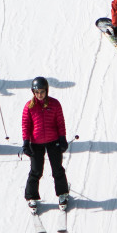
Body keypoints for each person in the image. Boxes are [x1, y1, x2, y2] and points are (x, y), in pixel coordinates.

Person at [21, 76, 70, 209]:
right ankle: (31, 196)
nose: (40, 95)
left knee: (57, 169)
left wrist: (62, 138)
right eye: (37, 92)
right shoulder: (29, 106)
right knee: (36, 170)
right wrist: (26, 143)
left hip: (53, 141)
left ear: (46, 91)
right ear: (33, 92)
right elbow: (26, 125)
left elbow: (60, 123)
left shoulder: (55, 104)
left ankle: (62, 193)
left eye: (42, 92)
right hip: (36, 143)